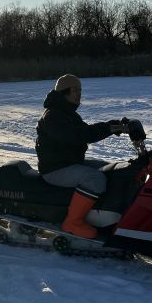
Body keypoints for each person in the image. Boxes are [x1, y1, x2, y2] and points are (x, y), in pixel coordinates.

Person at [35, 74, 128, 238]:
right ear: (64, 92)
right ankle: (73, 222)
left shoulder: (67, 113)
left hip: (69, 163)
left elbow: (86, 131)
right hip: (55, 169)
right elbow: (76, 135)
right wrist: (108, 129)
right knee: (95, 179)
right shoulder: (52, 116)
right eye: (75, 90)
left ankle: (105, 213)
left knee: (109, 169)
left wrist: (112, 125)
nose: (79, 94)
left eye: (80, 90)